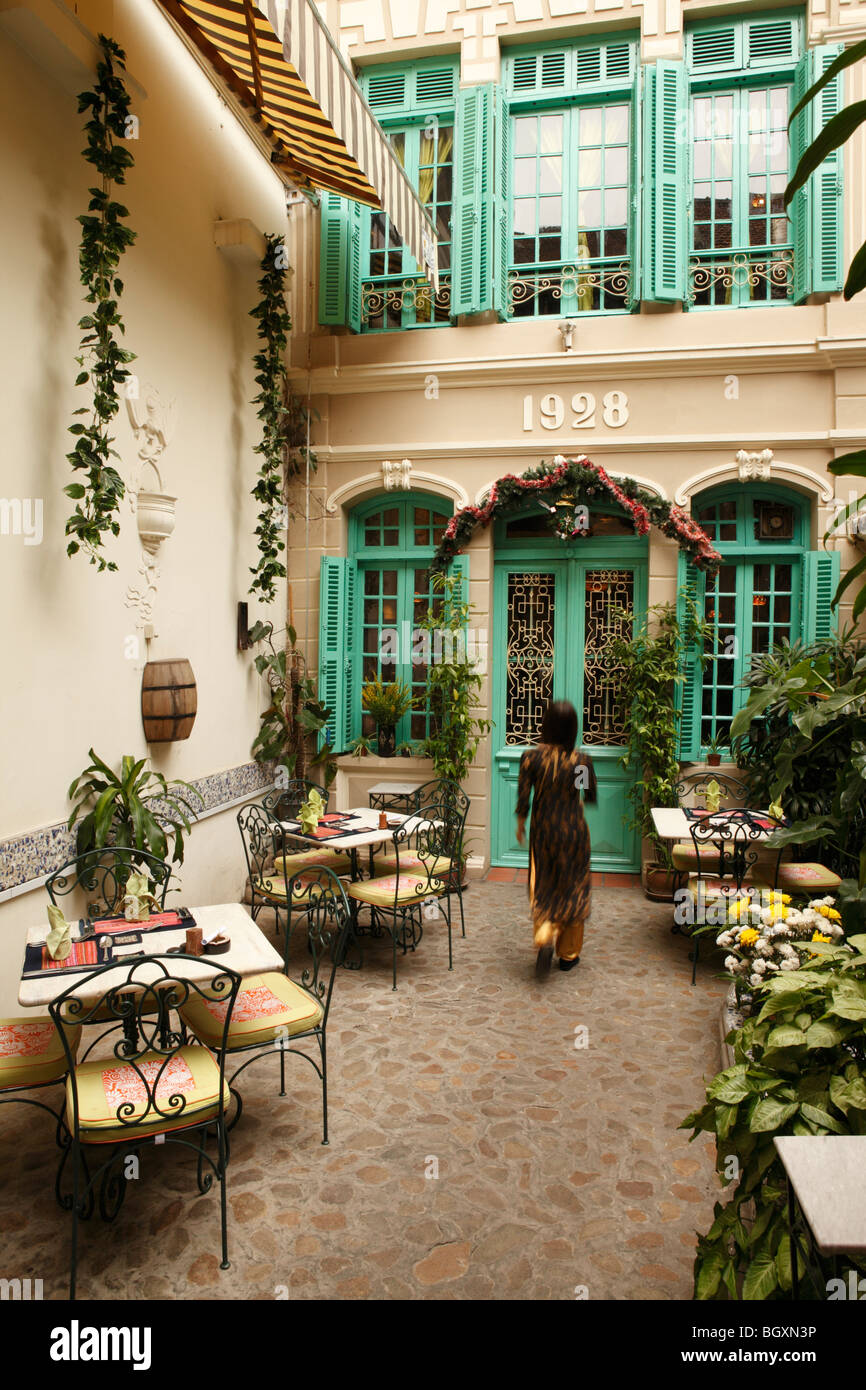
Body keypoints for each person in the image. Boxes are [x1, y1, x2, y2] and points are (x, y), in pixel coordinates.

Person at [515, 700, 597, 976]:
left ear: (545, 725)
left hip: (544, 833)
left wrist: (520, 824)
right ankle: (568, 954)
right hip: (574, 831)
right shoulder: (581, 761)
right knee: (573, 886)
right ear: (573, 729)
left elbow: (524, 797)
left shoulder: (531, 758)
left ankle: (544, 933)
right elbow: (588, 795)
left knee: (544, 884)